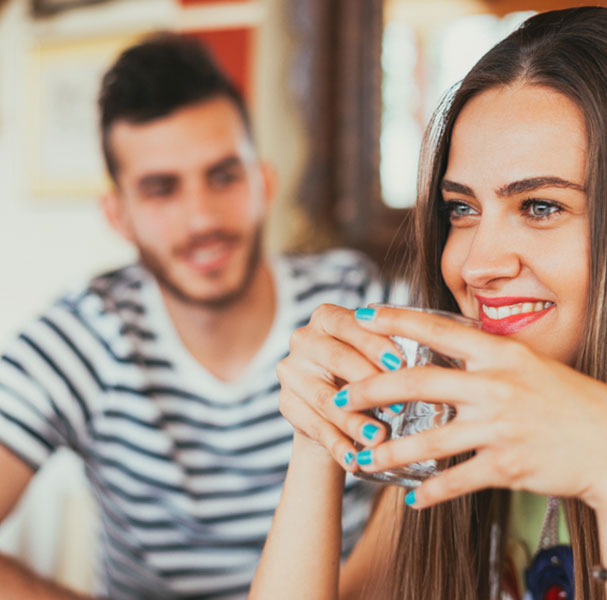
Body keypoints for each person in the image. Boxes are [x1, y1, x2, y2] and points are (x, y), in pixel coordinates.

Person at [250, 7, 607, 600]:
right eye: (462, 209)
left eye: (540, 207)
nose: (476, 265)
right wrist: (317, 440)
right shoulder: (459, 413)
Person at [0, 33, 393, 599]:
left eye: (223, 176)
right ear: (119, 215)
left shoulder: (358, 298)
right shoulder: (80, 337)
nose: (201, 218)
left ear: (264, 182)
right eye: (161, 190)